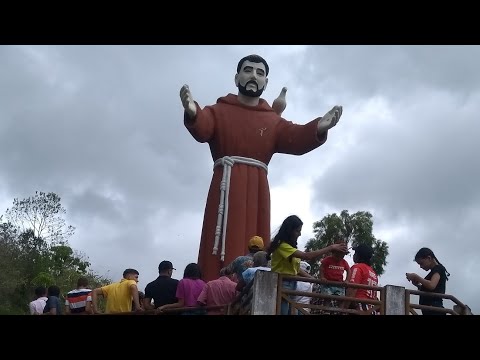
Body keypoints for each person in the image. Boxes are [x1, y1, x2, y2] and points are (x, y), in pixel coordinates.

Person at [180, 54, 343, 281]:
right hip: (225, 184)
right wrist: (193, 111)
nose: (253, 76)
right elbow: (204, 127)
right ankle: (215, 290)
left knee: (259, 239)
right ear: (237, 77)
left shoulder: (271, 120)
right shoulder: (219, 109)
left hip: (257, 187)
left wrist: (318, 128)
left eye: (260, 73)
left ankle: (254, 287)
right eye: (248, 70)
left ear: (266, 82)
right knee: (218, 244)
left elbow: (294, 136)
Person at [266, 215, 347, 315]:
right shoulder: (282, 245)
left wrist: (313, 279)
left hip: (291, 284)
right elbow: (307, 256)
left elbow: (296, 269)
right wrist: (331, 247)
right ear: (289, 230)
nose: (299, 234)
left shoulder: (289, 247)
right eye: (297, 231)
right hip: (283, 283)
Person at [406, 247, 450, 315]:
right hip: (431, 309)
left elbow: (432, 285)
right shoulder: (435, 270)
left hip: (434, 309)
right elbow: (433, 289)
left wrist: (416, 276)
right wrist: (418, 285)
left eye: (421, 263)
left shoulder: (438, 269)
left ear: (429, 258)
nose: (421, 266)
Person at [343, 244, 378, 315]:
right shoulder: (373, 272)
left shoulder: (357, 268)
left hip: (359, 308)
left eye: (355, 253)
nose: (354, 255)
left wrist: (343, 309)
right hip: (371, 309)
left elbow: (352, 289)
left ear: (359, 255)